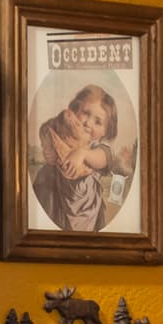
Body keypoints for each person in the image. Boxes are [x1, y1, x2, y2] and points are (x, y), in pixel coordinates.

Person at [34, 80, 130, 231]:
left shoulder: (97, 148)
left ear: (105, 131)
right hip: (58, 202)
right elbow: (46, 130)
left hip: (87, 212)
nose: (88, 123)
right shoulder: (64, 132)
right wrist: (48, 148)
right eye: (86, 113)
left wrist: (83, 153)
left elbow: (104, 158)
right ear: (75, 110)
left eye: (98, 122)